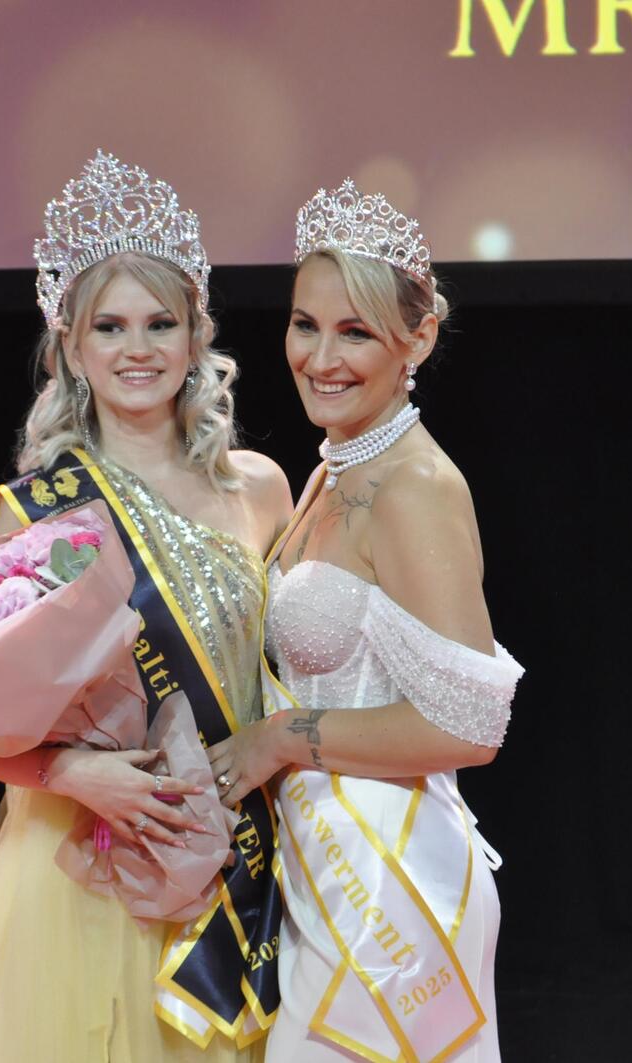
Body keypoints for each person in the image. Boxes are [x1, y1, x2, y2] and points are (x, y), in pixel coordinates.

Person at [0, 151, 294, 1062]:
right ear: (71, 348)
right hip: (83, 864)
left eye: (161, 322)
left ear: (196, 335)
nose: (139, 349)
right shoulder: (40, 511)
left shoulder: (261, 488)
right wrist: (71, 773)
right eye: (111, 326)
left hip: (228, 863)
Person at [205, 181, 525, 1062]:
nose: (321, 357)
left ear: (417, 338)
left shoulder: (415, 486)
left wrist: (279, 739)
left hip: (391, 893)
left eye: (355, 332)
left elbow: (471, 725)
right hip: (326, 873)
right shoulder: (334, 469)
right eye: (304, 324)